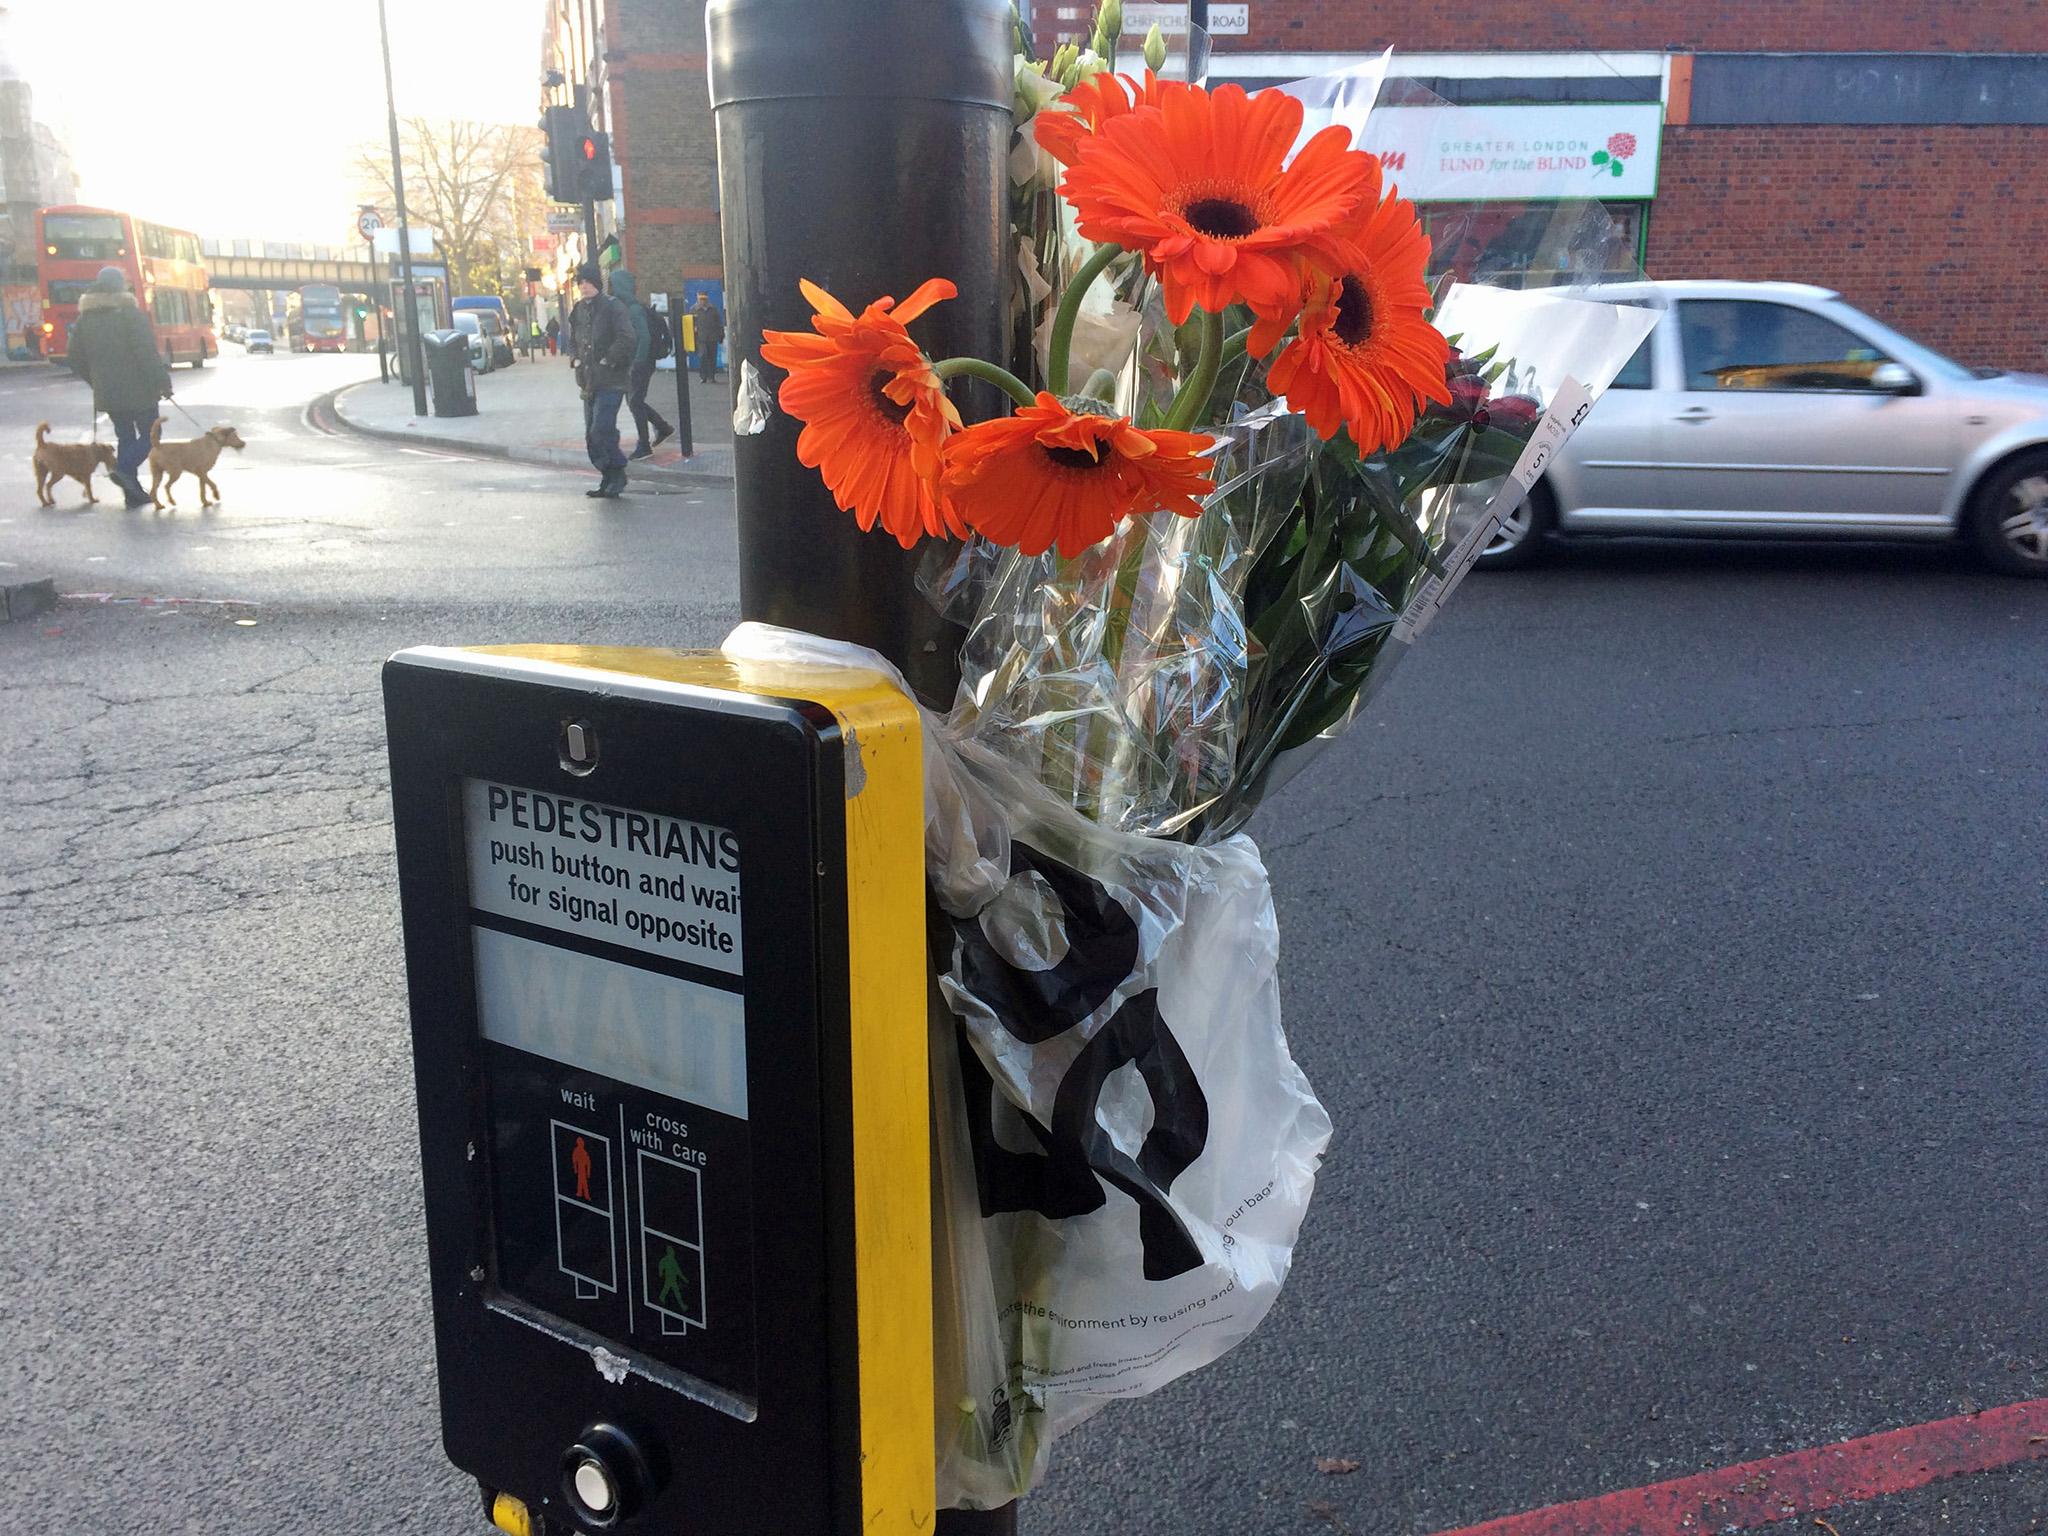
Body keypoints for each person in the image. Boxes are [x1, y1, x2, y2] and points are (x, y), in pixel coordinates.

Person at [66, 266, 171, 510]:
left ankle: (132, 493)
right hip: (140, 390)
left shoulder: (85, 319)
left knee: (125, 437)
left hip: (108, 392)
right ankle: (123, 470)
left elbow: (74, 356)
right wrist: (161, 381)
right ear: (121, 286)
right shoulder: (131, 315)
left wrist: (95, 380)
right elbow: (145, 353)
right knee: (151, 435)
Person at [569, 260, 634, 498]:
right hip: (588, 382)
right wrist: (574, 357)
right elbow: (573, 339)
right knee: (591, 435)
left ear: (597, 283)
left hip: (611, 379)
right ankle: (608, 477)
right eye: (580, 282)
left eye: (588, 282)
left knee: (601, 428)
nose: (584, 286)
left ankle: (618, 471)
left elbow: (627, 337)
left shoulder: (613, 307)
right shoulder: (578, 309)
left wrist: (608, 359)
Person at [607, 267, 674, 461]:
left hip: (641, 363)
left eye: (612, 284)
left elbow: (643, 337)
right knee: (634, 400)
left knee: (634, 401)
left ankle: (644, 445)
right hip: (636, 362)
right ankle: (662, 427)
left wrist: (637, 362)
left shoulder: (633, 309)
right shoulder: (625, 306)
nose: (610, 289)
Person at [689, 293, 724, 384]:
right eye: (701, 299)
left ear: (707, 299)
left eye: (704, 299)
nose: (702, 301)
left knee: (712, 358)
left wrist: (721, 335)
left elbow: (719, 323)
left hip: (712, 337)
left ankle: (711, 376)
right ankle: (703, 376)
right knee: (703, 356)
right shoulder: (693, 310)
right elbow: (689, 324)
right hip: (700, 338)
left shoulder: (713, 309)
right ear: (697, 299)